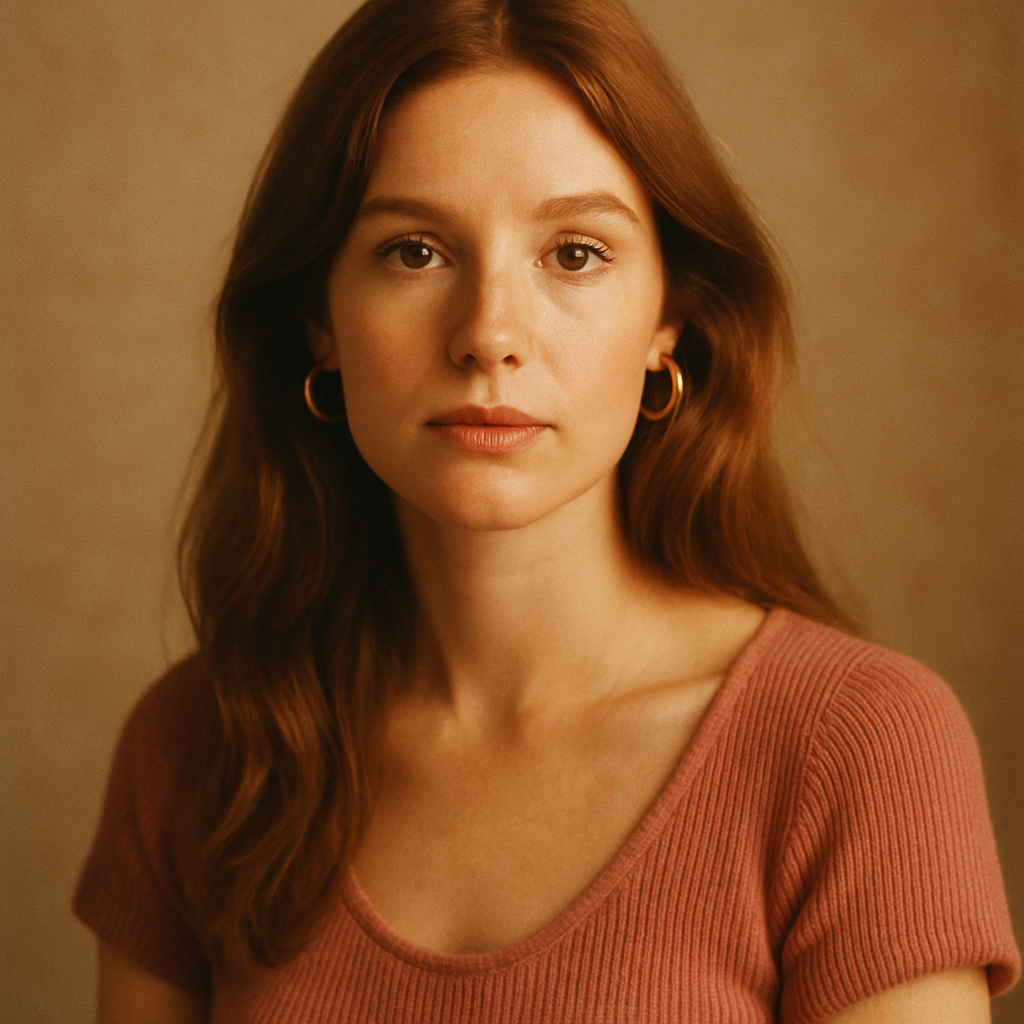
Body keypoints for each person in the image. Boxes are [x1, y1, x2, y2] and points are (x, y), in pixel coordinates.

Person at [74, 0, 1019, 1020]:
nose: (489, 334)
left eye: (573, 254)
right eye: (413, 251)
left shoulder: (861, 746)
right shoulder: (191, 748)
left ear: (671, 320)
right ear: (319, 320)